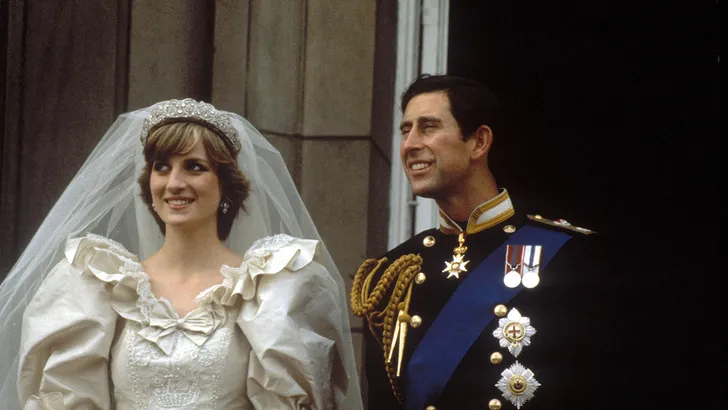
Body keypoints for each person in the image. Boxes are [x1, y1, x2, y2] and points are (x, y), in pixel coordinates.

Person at [0, 99, 363, 409]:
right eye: (162, 167)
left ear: (225, 185)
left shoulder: (269, 288)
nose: (174, 183)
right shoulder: (100, 283)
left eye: (194, 167)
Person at [351, 75, 617, 409]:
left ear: (479, 142)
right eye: (406, 130)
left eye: (428, 127)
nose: (410, 144)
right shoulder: (392, 275)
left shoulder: (569, 256)